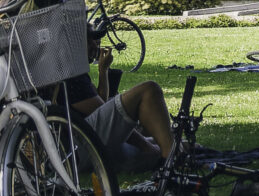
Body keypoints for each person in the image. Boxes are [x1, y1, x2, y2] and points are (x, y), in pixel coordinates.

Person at [63, 26, 175, 172]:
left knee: (173, 142)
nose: (96, 45)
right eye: (90, 41)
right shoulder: (71, 76)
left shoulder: (72, 71)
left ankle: (174, 152)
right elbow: (102, 110)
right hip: (78, 149)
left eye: (97, 41)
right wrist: (147, 146)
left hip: (82, 146)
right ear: (75, 45)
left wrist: (103, 70)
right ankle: (170, 160)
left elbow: (99, 104)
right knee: (149, 90)